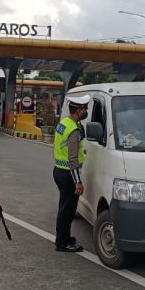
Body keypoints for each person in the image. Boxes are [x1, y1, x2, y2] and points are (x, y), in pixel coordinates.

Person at [53, 95, 90, 253]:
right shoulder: (73, 131)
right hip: (69, 174)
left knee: (64, 208)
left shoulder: (64, 123)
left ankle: (65, 238)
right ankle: (62, 242)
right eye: (85, 110)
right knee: (67, 211)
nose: (86, 112)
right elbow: (73, 159)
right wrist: (78, 182)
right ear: (79, 111)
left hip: (59, 170)